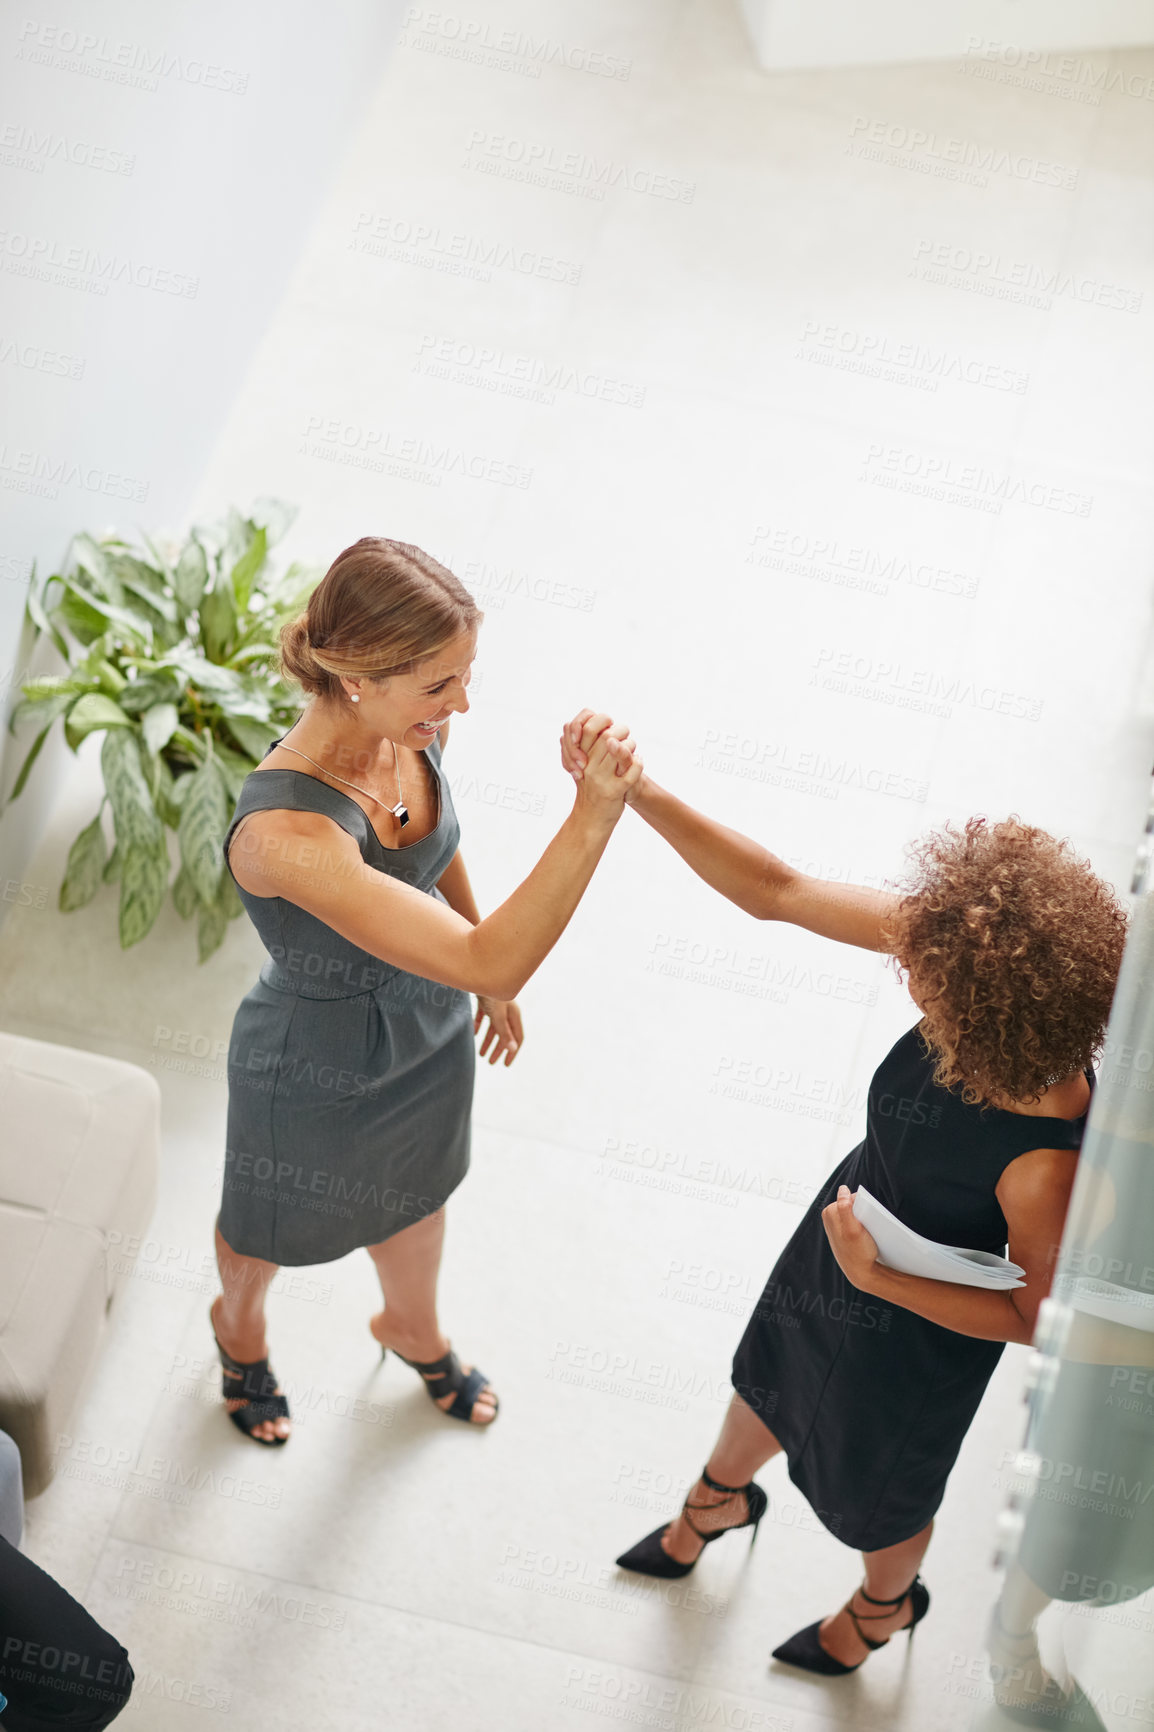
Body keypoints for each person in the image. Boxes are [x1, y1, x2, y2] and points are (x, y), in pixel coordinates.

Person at [562, 710, 1127, 1675]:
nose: (906, 969)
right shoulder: (959, 947)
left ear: (994, 1014)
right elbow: (775, 891)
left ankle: (884, 1604)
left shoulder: (1048, 1162)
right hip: (848, 1229)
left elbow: (1039, 1318)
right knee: (770, 1372)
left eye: (927, 980)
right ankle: (718, 1500)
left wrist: (885, 1282)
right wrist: (636, 792)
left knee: (884, 1495)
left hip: (922, 1324)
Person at [210, 540, 640, 1442]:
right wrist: (590, 816)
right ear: (360, 677)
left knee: (418, 1192)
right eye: (440, 684)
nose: (462, 705)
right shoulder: (285, 831)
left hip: (428, 1027)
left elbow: (433, 853)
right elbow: (494, 957)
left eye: (465, 675)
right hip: (313, 1063)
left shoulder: (411, 730)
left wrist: (469, 964)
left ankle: (412, 1325)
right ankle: (239, 1331)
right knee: (265, 1227)